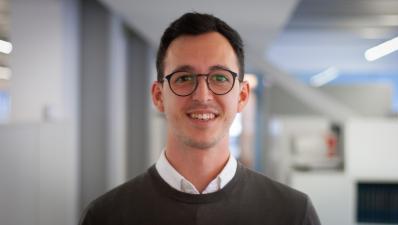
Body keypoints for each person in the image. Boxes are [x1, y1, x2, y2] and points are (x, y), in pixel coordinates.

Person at [79, 12, 321, 225]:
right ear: (158, 95)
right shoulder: (106, 217)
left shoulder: (293, 214)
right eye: (184, 78)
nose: (202, 96)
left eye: (220, 78)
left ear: (243, 96)